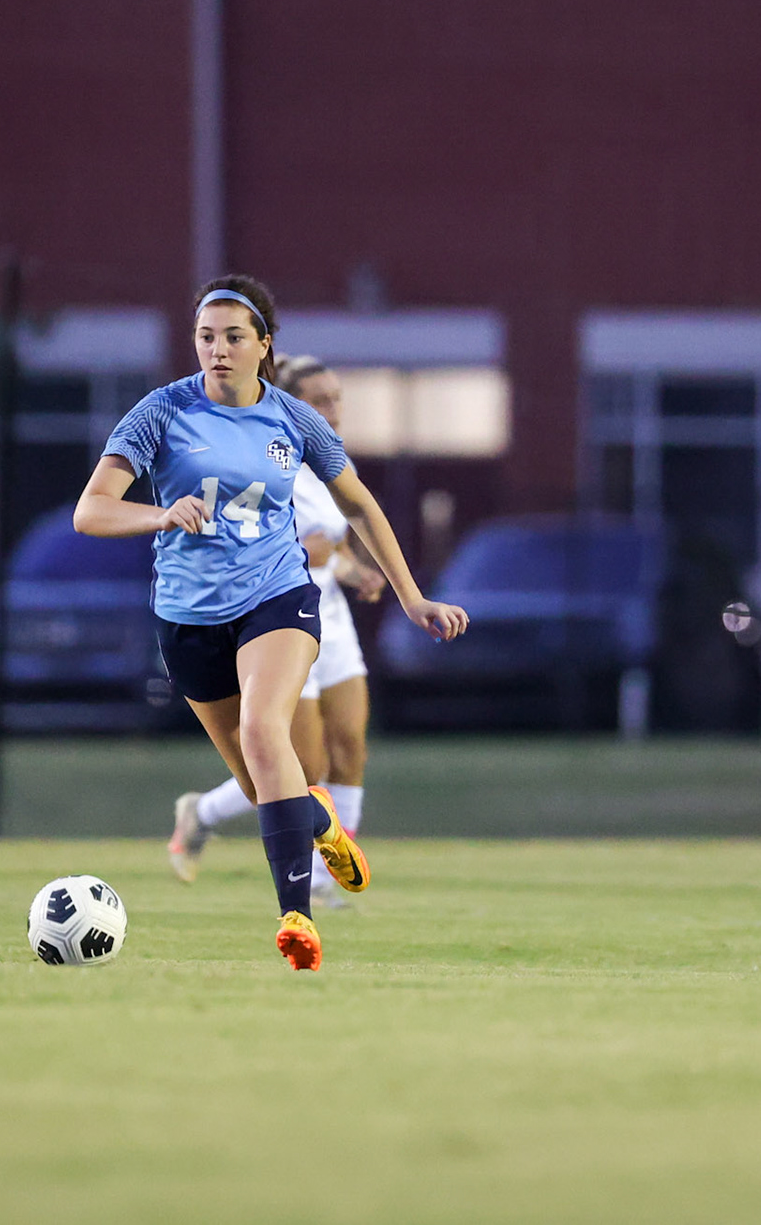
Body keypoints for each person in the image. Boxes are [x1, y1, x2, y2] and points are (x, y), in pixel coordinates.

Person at [74, 275, 467, 970]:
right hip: (188, 619)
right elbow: (93, 510)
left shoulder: (292, 418)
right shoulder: (160, 413)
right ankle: (318, 820)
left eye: (233, 336)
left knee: (265, 731)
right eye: (205, 337)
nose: (217, 350)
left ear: (265, 346)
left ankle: (297, 918)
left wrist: (413, 597)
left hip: (277, 598)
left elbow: (362, 509)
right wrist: (158, 513)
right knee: (264, 783)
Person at [167, 355, 385, 904]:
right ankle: (207, 815)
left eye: (337, 398)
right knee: (301, 763)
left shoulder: (330, 457)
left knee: (351, 744)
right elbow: (244, 532)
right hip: (278, 621)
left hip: (329, 615)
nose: (333, 410)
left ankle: (333, 871)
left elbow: (334, 538)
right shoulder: (265, 457)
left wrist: (353, 568)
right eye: (320, 400)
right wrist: (300, 551)